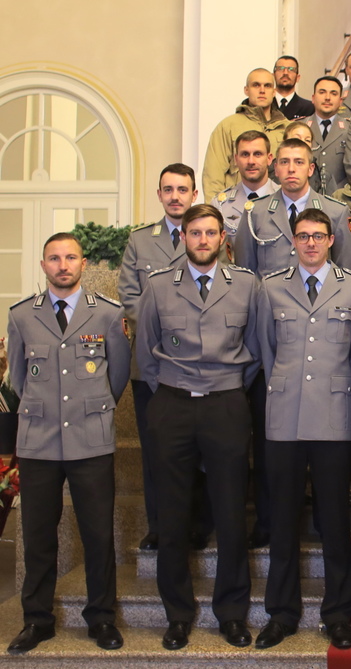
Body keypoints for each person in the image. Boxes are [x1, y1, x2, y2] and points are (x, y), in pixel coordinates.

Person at [137, 204, 261, 651]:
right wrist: (173, 388)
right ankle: (178, 615)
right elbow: (148, 355)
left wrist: (226, 387)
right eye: (195, 233)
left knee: (230, 514)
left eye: (211, 232)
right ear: (183, 238)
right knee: (172, 516)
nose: (203, 240)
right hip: (172, 403)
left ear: (223, 238)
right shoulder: (158, 287)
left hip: (226, 403)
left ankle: (231, 613)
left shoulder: (247, 286)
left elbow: (256, 350)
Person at [6, 233, 130, 654]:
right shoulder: (22, 315)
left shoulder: (108, 315)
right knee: (39, 535)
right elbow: (19, 379)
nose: (63, 265)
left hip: (90, 439)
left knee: (98, 534)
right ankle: (37, 620)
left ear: (83, 263)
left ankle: (101, 619)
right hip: (39, 442)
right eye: (54, 258)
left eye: (71, 257)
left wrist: (91, 409)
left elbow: (117, 376)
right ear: (43, 265)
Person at [254, 208, 351, 651]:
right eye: (303, 236)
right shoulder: (270, 288)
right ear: (293, 240)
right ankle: (281, 613)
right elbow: (264, 348)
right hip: (284, 416)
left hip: (334, 415)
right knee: (282, 519)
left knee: (335, 520)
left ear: (332, 240)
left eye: (319, 236)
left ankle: (339, 613)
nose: (311, 244)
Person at [119, 164, 196, 553]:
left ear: (194, 194)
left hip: (194, 363)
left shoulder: (204, 234)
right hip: (149, 362)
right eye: (168, 189)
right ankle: (158, 527)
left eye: (183, 189)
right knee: (155, 450)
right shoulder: (140, 241)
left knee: (194, 453)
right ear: (159, 194)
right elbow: (130, 297)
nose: (175, 196)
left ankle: (195, 525)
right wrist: (166, 327)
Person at [235, 138, 351, 275]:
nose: (291, 169)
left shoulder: (335, 212)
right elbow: (244, 274)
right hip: (269, 295)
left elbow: (346, 274)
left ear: (310, 169)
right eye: (284, 162)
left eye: (299, 162)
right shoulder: (255, 212)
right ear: (276, 169)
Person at [202, 68, 288, 201]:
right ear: (246, 90)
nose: (262, 90)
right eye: (256, 85)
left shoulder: (287, 128)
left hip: (278, 205)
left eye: (267, 86)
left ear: (274, 92)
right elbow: (213, 175)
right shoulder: (228, 126)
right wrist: (214, 215)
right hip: (235, 207)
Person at [214, 131, 279, 258]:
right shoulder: (220, 205)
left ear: (269, 158)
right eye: (245, 154)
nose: (251, 161)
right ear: (236, 159)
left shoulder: (285, 199)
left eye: (257, 154)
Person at [305, 75, 351, 195]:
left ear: (340, 100)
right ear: (313, 98)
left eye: (333, 93)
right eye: (322, 92)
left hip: (340, 197)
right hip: (306, 195)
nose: (327, 98)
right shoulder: (300, 127)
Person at [273, 56, 315, 120]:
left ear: (298, 78)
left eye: (291, 69)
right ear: (273, 75)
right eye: (280, 68)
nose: (285, 73)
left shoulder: (309, 108)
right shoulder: (264, 104)